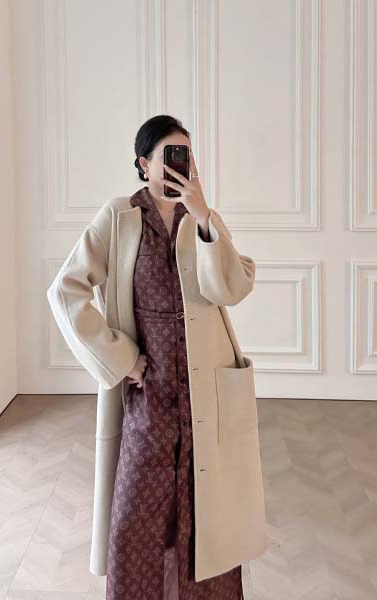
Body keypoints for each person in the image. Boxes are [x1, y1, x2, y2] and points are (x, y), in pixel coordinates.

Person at [105, 115, 244, 599]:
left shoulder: (201, 218)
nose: (179, 165)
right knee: (134, 527)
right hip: (149, 401)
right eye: (169, 156)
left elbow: (231, 288)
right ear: (144, 164)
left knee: (205, 523)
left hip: (202, 400)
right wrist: (121, 358)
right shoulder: (120, 218)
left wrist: (203, 217)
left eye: (186, 155)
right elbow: (66, 290)